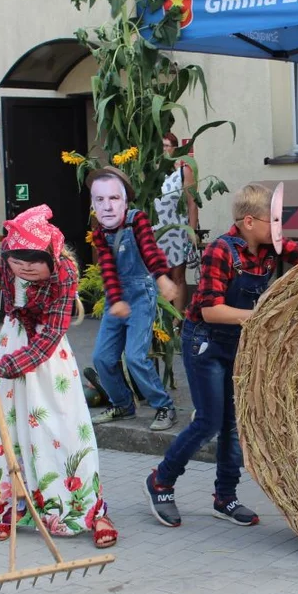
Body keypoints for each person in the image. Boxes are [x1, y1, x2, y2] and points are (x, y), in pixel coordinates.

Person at [145, 183, 298, 528]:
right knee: (208, 421)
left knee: (233, 426)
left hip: (238, 343)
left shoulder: (272, 247)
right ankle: (161, 480)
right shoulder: (220, 251)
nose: (280, 228)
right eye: (275, 220)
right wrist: (263, 316)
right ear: (249, 222)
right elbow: (210, 311)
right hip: (205, 343)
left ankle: (225, 497)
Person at [0, 204, 117, 549]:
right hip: (12, 343)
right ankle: (12, 507)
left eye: (33, 261)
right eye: (17, 260)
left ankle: (91, 510)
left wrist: (2, 367)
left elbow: (47, 342)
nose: (24, 268)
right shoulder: (12, 268)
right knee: (7, 427)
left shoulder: (64, 275)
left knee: (64, 428)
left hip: (47, 360)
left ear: (51, 258)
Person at [87, 166, 180, 431]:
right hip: (115, 297)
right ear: (94, 204)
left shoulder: (136, 220)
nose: (106, 205)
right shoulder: (99, 233)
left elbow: (149, 249)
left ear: (125, 200)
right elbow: (107, 268)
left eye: (113, 198)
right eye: (100, 199)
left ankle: (164, 407)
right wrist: (115, 300)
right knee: (102, 358)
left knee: (136, 357)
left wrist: (161, 277)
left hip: (141, 293)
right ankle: (123, 405)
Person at [154, 133, 199, 314]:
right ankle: (161, 318)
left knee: (177, 276)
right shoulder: (152, 173)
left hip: (177, 230)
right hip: (156, 230)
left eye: (167, 145)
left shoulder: (183, 172)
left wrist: (191, 230)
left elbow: (192, 203)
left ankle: (177, 321)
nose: (164, 149)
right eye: (161, 146)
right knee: (158, 275)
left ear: (175, 148)